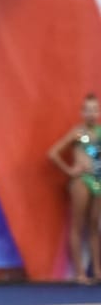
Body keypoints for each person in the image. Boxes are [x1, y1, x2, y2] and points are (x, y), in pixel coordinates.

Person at [48, 92, 101, 283]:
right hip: (81, 181)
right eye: (88, 110)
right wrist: (70, 170)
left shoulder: (99, 132)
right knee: (78, 226)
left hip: (98, 181)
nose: (91, 113)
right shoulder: (79, 133)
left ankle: (98, 271)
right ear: (82, 112)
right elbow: (53, 153)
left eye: (94, 109)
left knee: (94, 227)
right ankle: (80, 273)